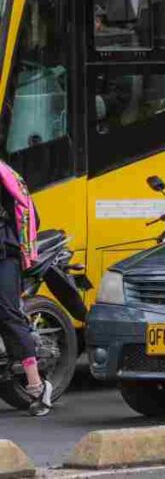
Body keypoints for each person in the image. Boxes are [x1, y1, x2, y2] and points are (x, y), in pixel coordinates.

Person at [0, 159, 50, 416]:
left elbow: (26, 208)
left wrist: (26, 249)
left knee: (8, 313)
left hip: (5, 253)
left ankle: (37, 386)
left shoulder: (4, 173)